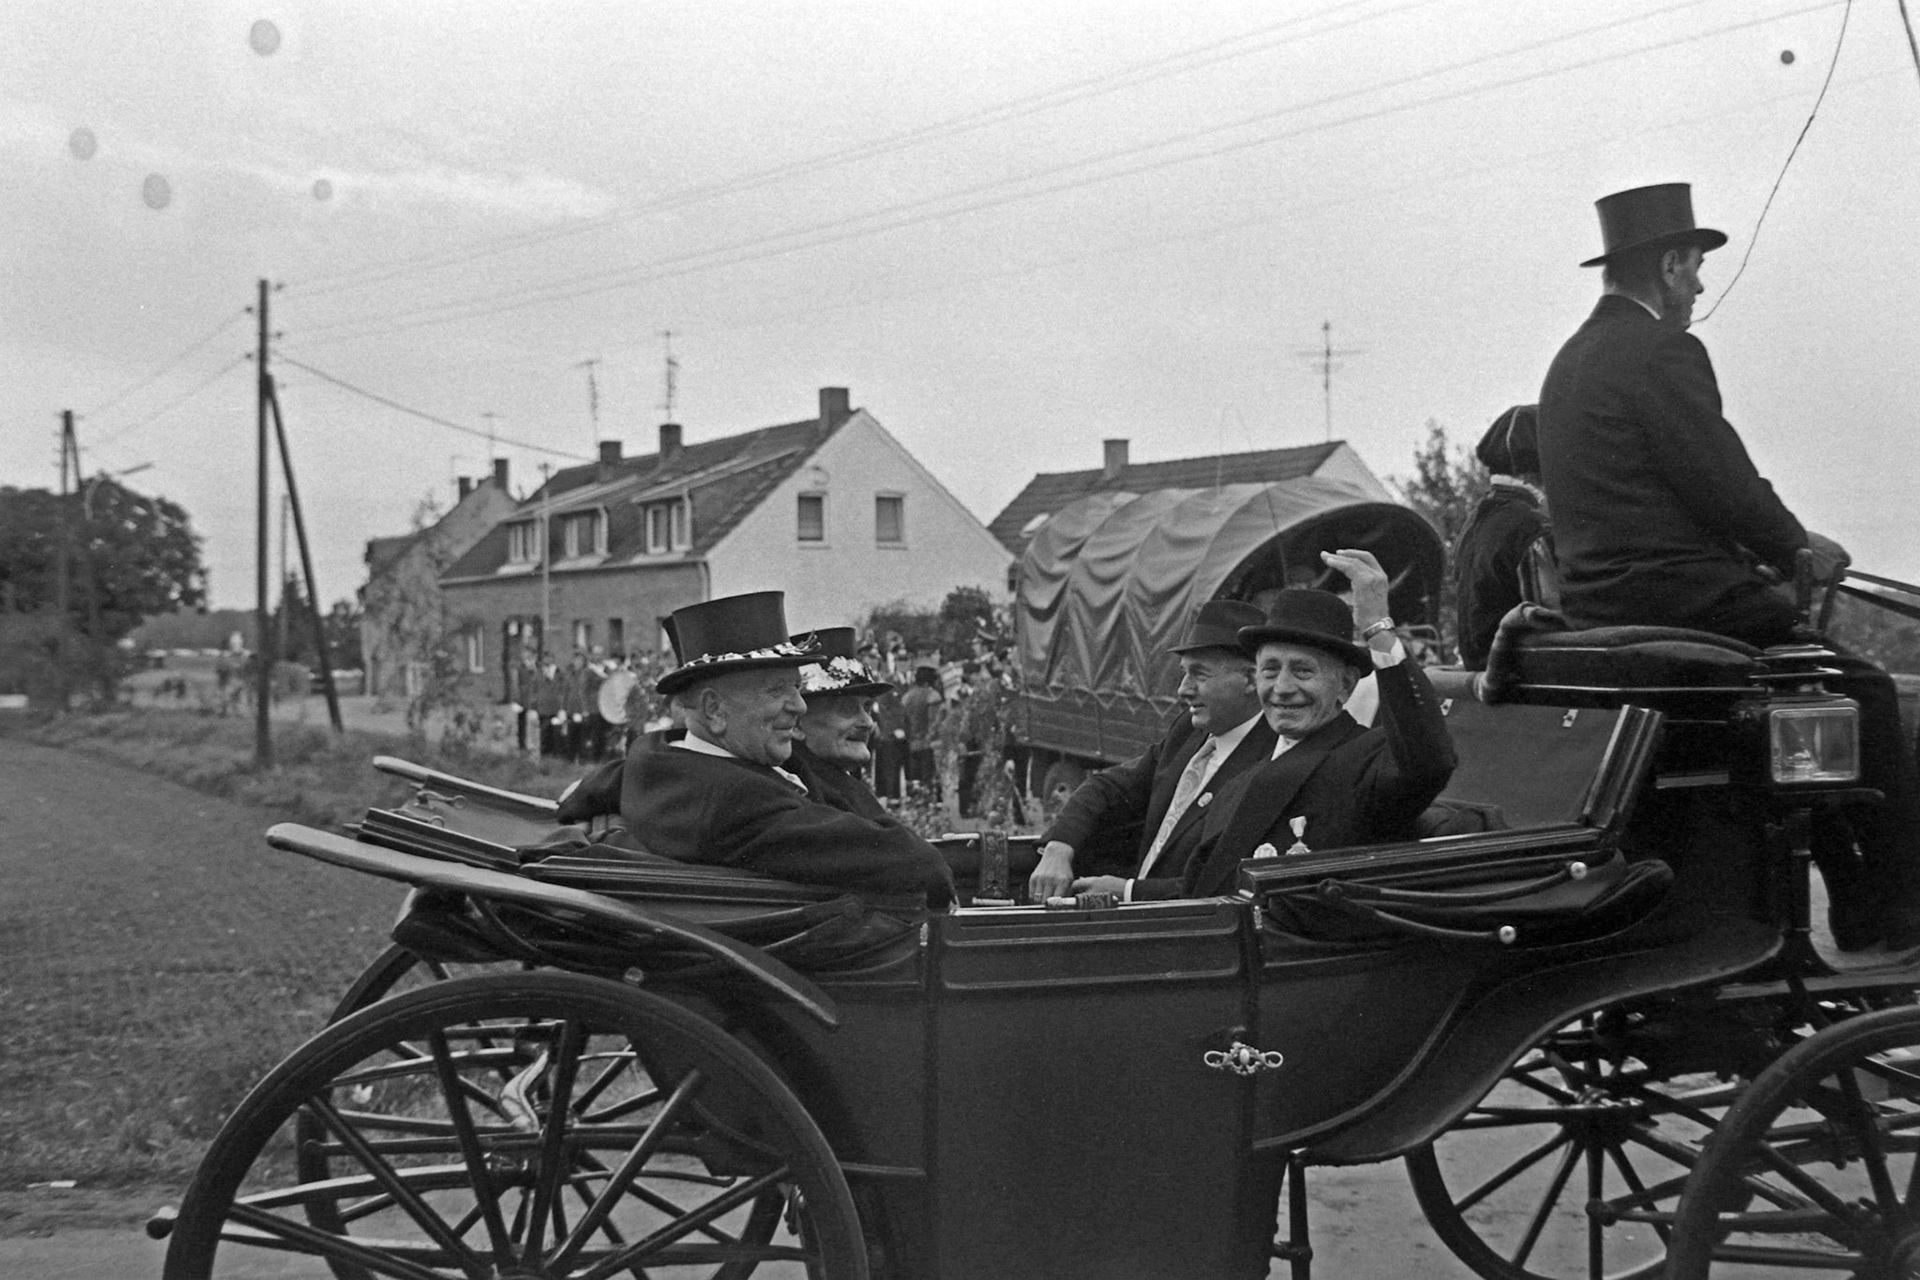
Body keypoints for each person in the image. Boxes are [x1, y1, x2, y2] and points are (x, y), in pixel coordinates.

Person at [1538, 181, 1920, 949]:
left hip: (1601, 607)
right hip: (1689, 602)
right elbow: (1720, 480)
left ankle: (1849, 894)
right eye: (1697, 268)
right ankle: (1891, 912)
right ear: (1674, 264)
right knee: (1871, 696)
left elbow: (1652, 490)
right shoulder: (1662, 349)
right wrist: (1795, 545)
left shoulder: (1570, 362)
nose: (1702, 286)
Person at [617, 592, 954, 906]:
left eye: (796, 686)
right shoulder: (736, 800)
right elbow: (915, 862)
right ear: (714, 710)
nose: (800, 706)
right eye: (777, 690)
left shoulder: (664, 762)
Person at [1177, 549, 1456, 898]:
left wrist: (1378, 629)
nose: (1282, 688)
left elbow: (1430, 758)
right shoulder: (1236, 783)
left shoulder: (1367, 759)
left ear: (1345, 685)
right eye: (1270, 670)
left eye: (1303, 671)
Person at [1028, 600, 1277, 902]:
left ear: (1251, 679)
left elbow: (1223, 882)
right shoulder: (1188, 730)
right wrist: (1059, 847)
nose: (1182, 690)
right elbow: (1109, 786)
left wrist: (1130, 891)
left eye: (1199, 674)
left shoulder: (1272, 759)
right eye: (1184, 674)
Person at [1455, 404, 1551, 669]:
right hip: (1516, 676)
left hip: (1480, 669)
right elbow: (1550, 619)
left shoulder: (1475, 521)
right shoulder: (1531, 525)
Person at [785, 627, 895, 822]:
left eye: (867, 707)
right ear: (796, 724)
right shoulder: (803, 794)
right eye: (846, 709)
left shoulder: (832, 782)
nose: (867, 723)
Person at [901, 664, 944, 796]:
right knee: (930, 781)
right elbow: (935, 722)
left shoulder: (907, 696)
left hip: (912, 744)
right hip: (929, 745)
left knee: (915, 781)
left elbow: (905, 723)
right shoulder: (933, 695)